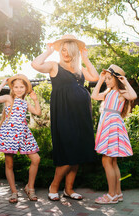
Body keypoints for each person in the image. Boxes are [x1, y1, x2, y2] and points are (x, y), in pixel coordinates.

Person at [31, 34, 99, 201]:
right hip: (64, 114)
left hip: (81, 115)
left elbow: (95, 77)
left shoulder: (79, 70)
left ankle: (69, 189)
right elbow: (35, 64)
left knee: (78, 152)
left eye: (68, 50)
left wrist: (85, 58)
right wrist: (48, 51)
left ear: (74, 51)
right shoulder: (54, 66)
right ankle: (54, 186)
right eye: (62, 50)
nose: (65, 53)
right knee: (69, 150)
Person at [0, 74, 41, 204]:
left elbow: (37, 112)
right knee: (9, 163)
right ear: (12, 88)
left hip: (23, 134)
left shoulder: (25, 102)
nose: (18, 89)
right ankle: (13, 191)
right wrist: (2, 84)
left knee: (36, 159)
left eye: (21, 87)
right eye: (16, 87)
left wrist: (35, 100)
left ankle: (30, 188)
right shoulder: (8, 98)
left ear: (25, 88)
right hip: (10, 134)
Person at [91, 64, 137, 204]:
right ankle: (117, 193)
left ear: (117, 79)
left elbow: (134, 95)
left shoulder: (120, 93)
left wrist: (125, 81)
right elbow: (94, 96)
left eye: (109, 78)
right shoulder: (109, 91)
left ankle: (111, 195)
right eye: (106, 78)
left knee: (106, 160)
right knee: (112, 161)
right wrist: (100, 79)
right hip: (108, 125)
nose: (107, 81)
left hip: (112, 126)